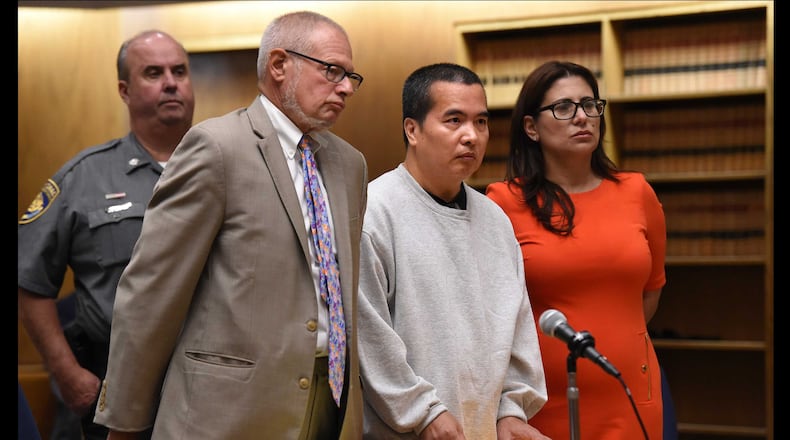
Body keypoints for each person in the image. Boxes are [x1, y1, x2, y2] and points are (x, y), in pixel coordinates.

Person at [92, 11, 367, 440]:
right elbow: (152, 292)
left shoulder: (349, 164)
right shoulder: (217, 148)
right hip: (229, 412)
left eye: (351, 76)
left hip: (331, 405)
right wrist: (125, 423)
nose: (346, 87)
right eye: (332, 70)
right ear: (279, 65)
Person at [18, 29, 195, 440]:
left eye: (180, 71)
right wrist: (67, 373)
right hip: (118, 392)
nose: (171, 82)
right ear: (125, 90)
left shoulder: (232, 166)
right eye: (153, 73)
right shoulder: (85, 178)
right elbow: (30, 280)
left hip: (216, 390)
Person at [357, 62, 549, 439]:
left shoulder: (495, 219)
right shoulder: (374, 211)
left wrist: (511, 410)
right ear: (412, 129)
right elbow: (368, 336)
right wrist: (423, 412)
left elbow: (518, 325)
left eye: (481, 122)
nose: (472, 136)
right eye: (454, 120)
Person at [486, 60, 666, 439]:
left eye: (590, 105)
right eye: (564, 108)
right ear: (531, 127)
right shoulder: (503, 201)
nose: (582, 117)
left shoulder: (636, 191)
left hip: (629, 393)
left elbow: (650, 293)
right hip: (539, 401)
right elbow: (491, 313)